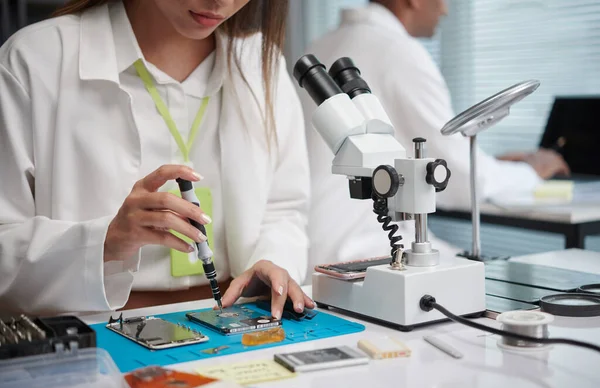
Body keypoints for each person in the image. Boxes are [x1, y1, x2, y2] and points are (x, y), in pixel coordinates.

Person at [0, 0, 314, 319]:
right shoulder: (34, 60)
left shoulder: (261, 65)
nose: (220, 2)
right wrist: (104, 243)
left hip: (237, 329)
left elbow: (284, 209)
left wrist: (273, 261)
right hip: (92, 339)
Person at [300, 0, 570, 276]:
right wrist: (530, 171)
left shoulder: (321, 44)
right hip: (359, 251)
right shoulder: (397, 51)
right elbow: (461, 179)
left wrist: (489, 160)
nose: (446, 10)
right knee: (496, 275)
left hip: (306, 250)